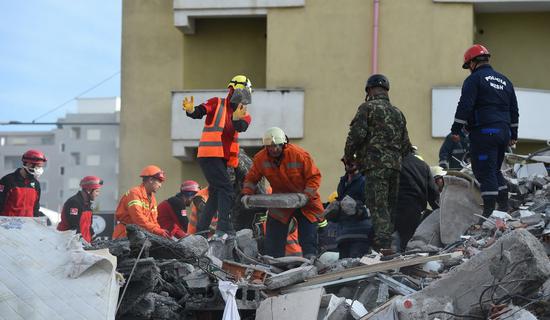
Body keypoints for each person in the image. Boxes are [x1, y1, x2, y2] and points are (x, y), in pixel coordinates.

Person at [344, 74, 412, 250]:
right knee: (389, 207)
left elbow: (356, 135)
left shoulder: (367, 108)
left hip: (375, 166)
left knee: (377, 206)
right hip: (395, 167)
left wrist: (349, 157)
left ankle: (383, 247)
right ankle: (388, 243)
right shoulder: (398, 113)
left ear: (369, 90)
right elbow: (406, 145)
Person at [449, 44, 519, 217]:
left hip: (484, 133)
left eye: (468, 66)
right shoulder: (505, 81)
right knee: (494, 169)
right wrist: (514, 134)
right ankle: (503, 207)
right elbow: (514, 110)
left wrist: (456, 128)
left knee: (483, 170)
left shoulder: (474, 79)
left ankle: (488, 213)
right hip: (503, 133)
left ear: (473, 63)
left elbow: (465, 105)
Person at [183, 75, 253, 236]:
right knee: (226, 190)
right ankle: (224, 226)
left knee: (215, 193)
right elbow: (200, 111)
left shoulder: (243, 112)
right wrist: (191, 110)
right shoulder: (217, 103)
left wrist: (236, 119)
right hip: (209, 155)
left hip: (224, 159)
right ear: (232, 89)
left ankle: (201, 229)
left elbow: (242, 127)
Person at [242, 127, 324, 258]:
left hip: (306, 203)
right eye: (270, 147)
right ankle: (274, 262)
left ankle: (311, 260)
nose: (274, 149)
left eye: (277, 146)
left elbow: (314, 177)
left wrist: (306, 196)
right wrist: (247, 194)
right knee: (274, 235)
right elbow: (251, 179)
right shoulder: (260, 158)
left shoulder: (299, 155)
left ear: (283, 144)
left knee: (308, 236)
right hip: (281, 202)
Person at [392, 149, 440, 250]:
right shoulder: (423, 165)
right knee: (407, 240)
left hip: (393, 206)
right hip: (414, 208)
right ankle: (405, 262)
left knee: (385, 241)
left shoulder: (390, 162)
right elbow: (433, 192)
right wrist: (439, 211)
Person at [327, 159, 373, 258]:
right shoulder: (343, 182)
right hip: (343, 235)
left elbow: (375, 208)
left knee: (356, 268)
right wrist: (334, 211)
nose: (349, 164)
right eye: (347, 162)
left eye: (352, 161)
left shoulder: (366, 181)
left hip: (360, 235)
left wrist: (359, 210)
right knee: (344, 267)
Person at [112, 165, 170, 239]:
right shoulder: (134, 193)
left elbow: (153, 220)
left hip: (138, 235)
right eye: (159, 181)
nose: (160, 185)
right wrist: (156, 230)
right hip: (124, 234)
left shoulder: (152, 199)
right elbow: (137, 218)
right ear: (151, 179)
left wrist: (159, 231)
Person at [0, 149, 47, 217]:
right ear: (29, 164)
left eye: (41, 167)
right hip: (8, 225)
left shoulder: (36, 184)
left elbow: (35, 208)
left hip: (28, 226)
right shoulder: (7, 180)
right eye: (38, 166)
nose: (39, 169)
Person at [57, 176, 103, 243]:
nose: (98, 194)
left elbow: (87, 226)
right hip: (68, 244)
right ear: (89, 190)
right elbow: (73, 226)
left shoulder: (87, 205)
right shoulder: (74, 203)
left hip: (82, 243)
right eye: (96, 191)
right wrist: (80, 240)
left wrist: (93, 237)